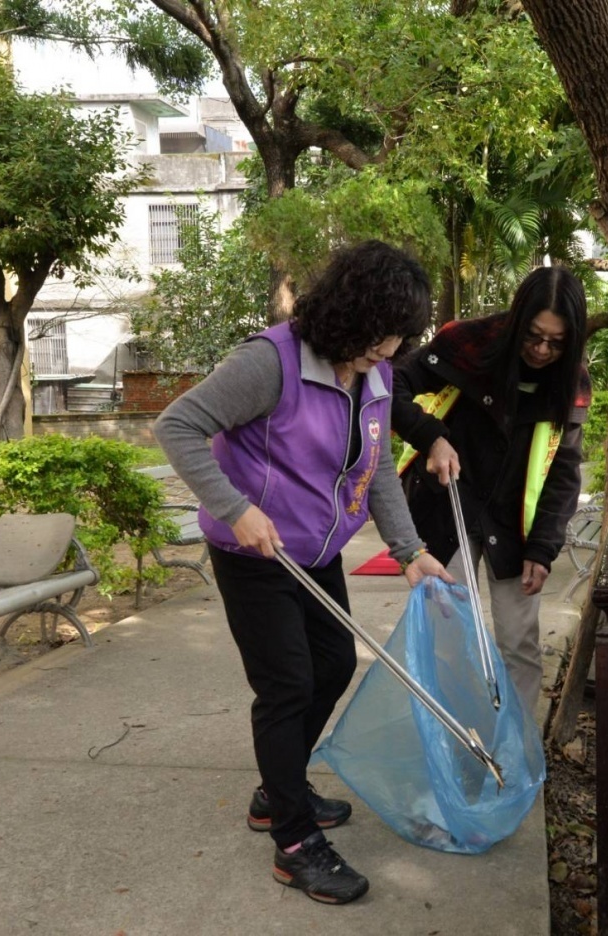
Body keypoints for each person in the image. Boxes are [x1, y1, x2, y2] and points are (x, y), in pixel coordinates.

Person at [153, 240, 452, 906]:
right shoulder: (270, 362)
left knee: (334, 667)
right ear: (348, 312)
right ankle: (293, 842)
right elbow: (178, 425)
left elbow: (373, 474)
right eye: (381, 334)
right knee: (287, 683)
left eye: (400, 337)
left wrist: (410, 550)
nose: (389, 349)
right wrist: (234, 510)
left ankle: (276, 788)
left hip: (315, 552)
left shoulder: (375, 374)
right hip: (253, 553)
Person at [391, 266, 589, 713]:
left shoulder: (571, 383)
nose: (541, 350)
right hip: (448, 510)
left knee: (519, 643)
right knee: (450, 638)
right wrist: (430, 436)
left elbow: (563, 473)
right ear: (517, 320)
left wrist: (543, 548)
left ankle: (514, 754)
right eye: (533, 336)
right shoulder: (466, 343)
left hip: (514, 525)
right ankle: (459, 743)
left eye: (556, 343)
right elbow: (393, 385)